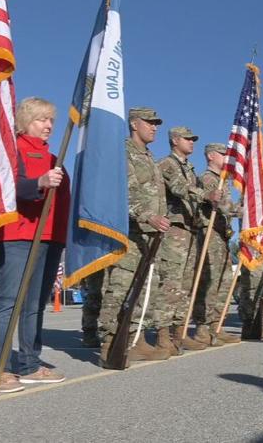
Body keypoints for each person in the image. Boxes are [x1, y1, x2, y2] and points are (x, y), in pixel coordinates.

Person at [0, 97, 71, 392]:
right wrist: (39, 183)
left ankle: (30, 364)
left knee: (34, 305)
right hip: (18, 236)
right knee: (9, 302)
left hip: (49, 238)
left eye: (51, 121)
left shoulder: (52, 158)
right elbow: (9, 187)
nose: (48, 126)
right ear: (25, 121)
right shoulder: (13, 149)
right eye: (41, 119)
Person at [97, 107, 172, 368]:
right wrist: (147, 215)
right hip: (129, 232)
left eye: (156, 123)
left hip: (151, 235)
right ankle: (109, 343)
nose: (154, 127)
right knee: (120, 288)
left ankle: (134, 339)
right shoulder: (124, 152)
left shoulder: (150, 157)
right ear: (134, 124)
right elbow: (121, 192)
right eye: (149, 123)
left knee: (144, 290)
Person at [154, 126, 221, 354]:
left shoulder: (189, 168)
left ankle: (179, 332)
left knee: (186, 285)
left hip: (191, 230)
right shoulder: (167, 164)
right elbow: (179, 188)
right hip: (175, 229)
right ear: (175, 140)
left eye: (193, 139)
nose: (192, 142)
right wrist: (206, 195)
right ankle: (163, 334)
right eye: (187, 139)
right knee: (171, 284)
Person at [193, 143, 241, 346]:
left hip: (222, 236)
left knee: (224, 282)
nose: (227, 158)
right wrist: (245, 211)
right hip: (209, 234)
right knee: (209, 283)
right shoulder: (207, 179)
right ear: (211, 155)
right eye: (223, 154)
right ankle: (202, 328)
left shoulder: (223, 181)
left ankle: (216, 326)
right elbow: (225, 207)